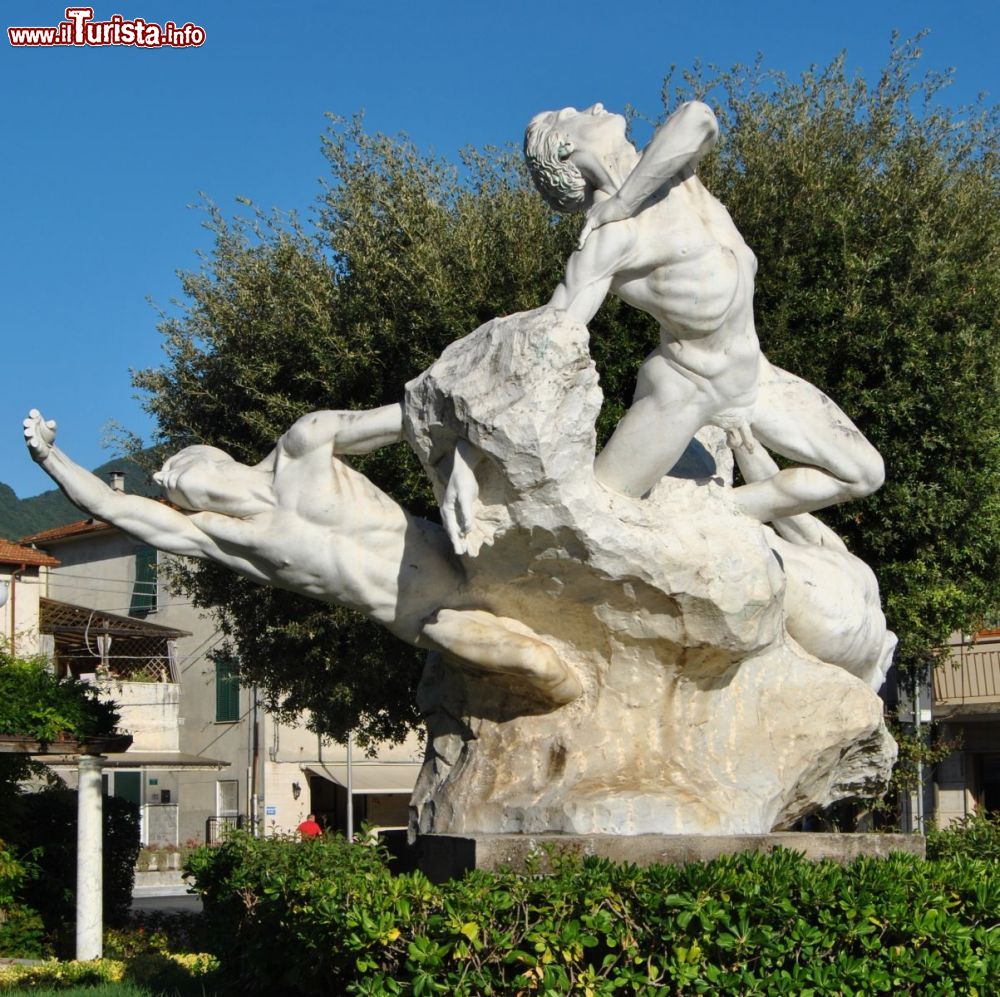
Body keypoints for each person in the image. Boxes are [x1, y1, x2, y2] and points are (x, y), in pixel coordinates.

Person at [23, 407, 581, 708]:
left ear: (217, 458)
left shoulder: (307, 440)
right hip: (426, 618)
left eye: (176, 467)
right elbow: (114, 507)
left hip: (465, 556)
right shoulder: (221, 536)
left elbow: (423, 412)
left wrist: (460, 463)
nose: (167, 479)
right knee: (543, 668)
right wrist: (51, 457)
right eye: (166, 486)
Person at [523, 101, 884, 523]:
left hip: (755, 380)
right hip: (685, 390)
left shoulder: (675, 175)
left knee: (864, 474)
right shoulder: (610, 236)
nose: (596, 106)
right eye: (575, 112)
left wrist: (623, 199)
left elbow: (700, 118)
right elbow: (554, 329)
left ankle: (721, 514)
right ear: (565, 148)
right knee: (600, 512)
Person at [732, 434, 895, 690]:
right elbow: (783, 501)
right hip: (832, 633)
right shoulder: (865, 670)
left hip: (833, 627)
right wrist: (743, 440)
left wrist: (743, 440)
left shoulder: (857, 573)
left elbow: (782, 500)